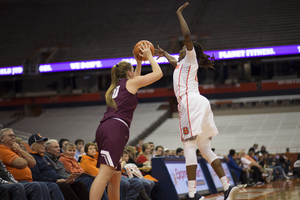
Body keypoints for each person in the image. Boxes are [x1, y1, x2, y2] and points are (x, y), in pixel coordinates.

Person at [155, 2, 239, 200]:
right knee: (206, 149)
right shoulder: (182, 64)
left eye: (183, 48)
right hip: (200, 102)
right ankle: (227, 187)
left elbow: (186, 36)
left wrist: (179, 14)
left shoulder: (190, 58)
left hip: (190, 103)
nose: (181, 50)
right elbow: (174, 62)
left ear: (189, 51)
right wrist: (166, 55)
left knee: (189, 146)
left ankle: (193, 194)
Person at [90, 41, 163, 200]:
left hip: (106, 127)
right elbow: (158, 74)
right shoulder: (130, 83)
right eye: (133, 70)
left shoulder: (118, 86)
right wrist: (150, 57)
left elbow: (136, 79)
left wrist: (137, 63)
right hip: (115, 129)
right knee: (105, 174)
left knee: (115, 177)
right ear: (129, 73)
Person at [0, 128, 64, 200]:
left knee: (49, 185)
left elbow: (32, 163)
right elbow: (22, 163)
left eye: (14, 135)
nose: (13, 137)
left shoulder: (14, 150)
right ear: (2, 139)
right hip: (17, 181)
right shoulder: (2, 150)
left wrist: (19, 150)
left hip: (26, 181)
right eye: (10, 135)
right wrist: (21, 153)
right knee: (43, 185)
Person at [28, 134, 89, 200]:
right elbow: (36, 177)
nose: (44, 145)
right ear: (33, 146)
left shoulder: (44, 157)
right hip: (47, 182)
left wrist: (66, 179)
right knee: (63, 185)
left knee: (79, 184)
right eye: (41, 143)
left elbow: (54, 173)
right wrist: (56, 180)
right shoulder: (31, 158)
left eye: (44, 143)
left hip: (57, 180)